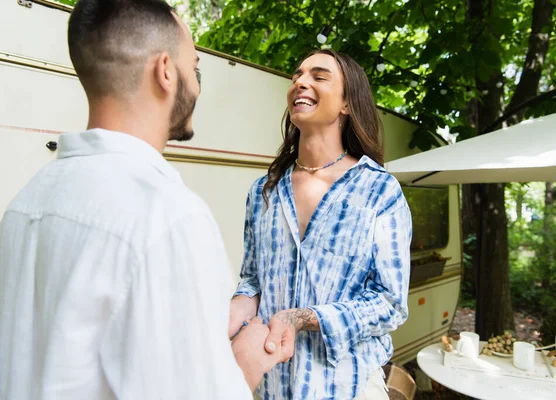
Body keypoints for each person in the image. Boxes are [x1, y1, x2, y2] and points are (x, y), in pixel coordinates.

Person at [0, 0, 279, 399]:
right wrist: (245, 365)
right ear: (166, 71)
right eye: (195, 68)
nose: (197, 85)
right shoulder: (169, 217)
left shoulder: (25, 203)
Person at [229, 50, 412, 399]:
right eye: (297, 75)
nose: (301, 82)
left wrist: (304, 317)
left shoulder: (379, 190)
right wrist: (232, 310)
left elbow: (390, 302)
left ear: (346, 103)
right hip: (271, 386)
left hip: (349, 387)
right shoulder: (263, 192)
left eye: (318, 76)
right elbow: (252, 280)